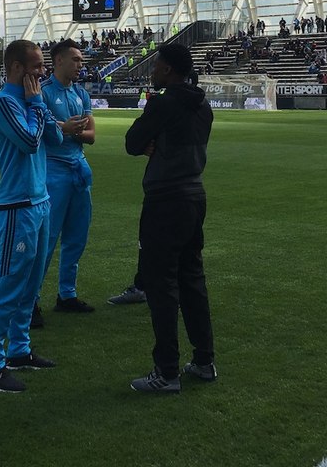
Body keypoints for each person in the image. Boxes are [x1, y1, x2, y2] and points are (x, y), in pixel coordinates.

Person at [125, 43, 216, 393]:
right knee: (193, 278)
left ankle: (166, 372)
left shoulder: (162, 103)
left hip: (165, 199)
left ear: (168, 71)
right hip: (194, 196)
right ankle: (204, 361)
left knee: (161, 286)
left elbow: (133, 142)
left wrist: (152, 140)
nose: (153, 71)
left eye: (157, 66)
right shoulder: (203, 104)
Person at [0, 40, 63, 394]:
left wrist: (42, 108)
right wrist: (37, 104)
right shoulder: (4, 103)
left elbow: (54, 137)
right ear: (15, 68)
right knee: (9, 286)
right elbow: (30, 141)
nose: (42, 72)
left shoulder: (30, 101)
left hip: (40, 201)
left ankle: (20, 350)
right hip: (17, 207)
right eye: (37, 66)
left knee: (30, 285)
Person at [37, 39, 96, 319]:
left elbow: (91, 136)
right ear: (58, 61)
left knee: (76, 237)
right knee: (46, 239)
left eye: (82, 61)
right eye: (75, 60)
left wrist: (67, 131)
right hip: (54, 172)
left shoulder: (81, 94)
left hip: (79, 171)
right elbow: (43, 130)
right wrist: (67, 129)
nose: (80, 66)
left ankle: (67, 294)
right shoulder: (44, 92)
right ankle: (31, 300)